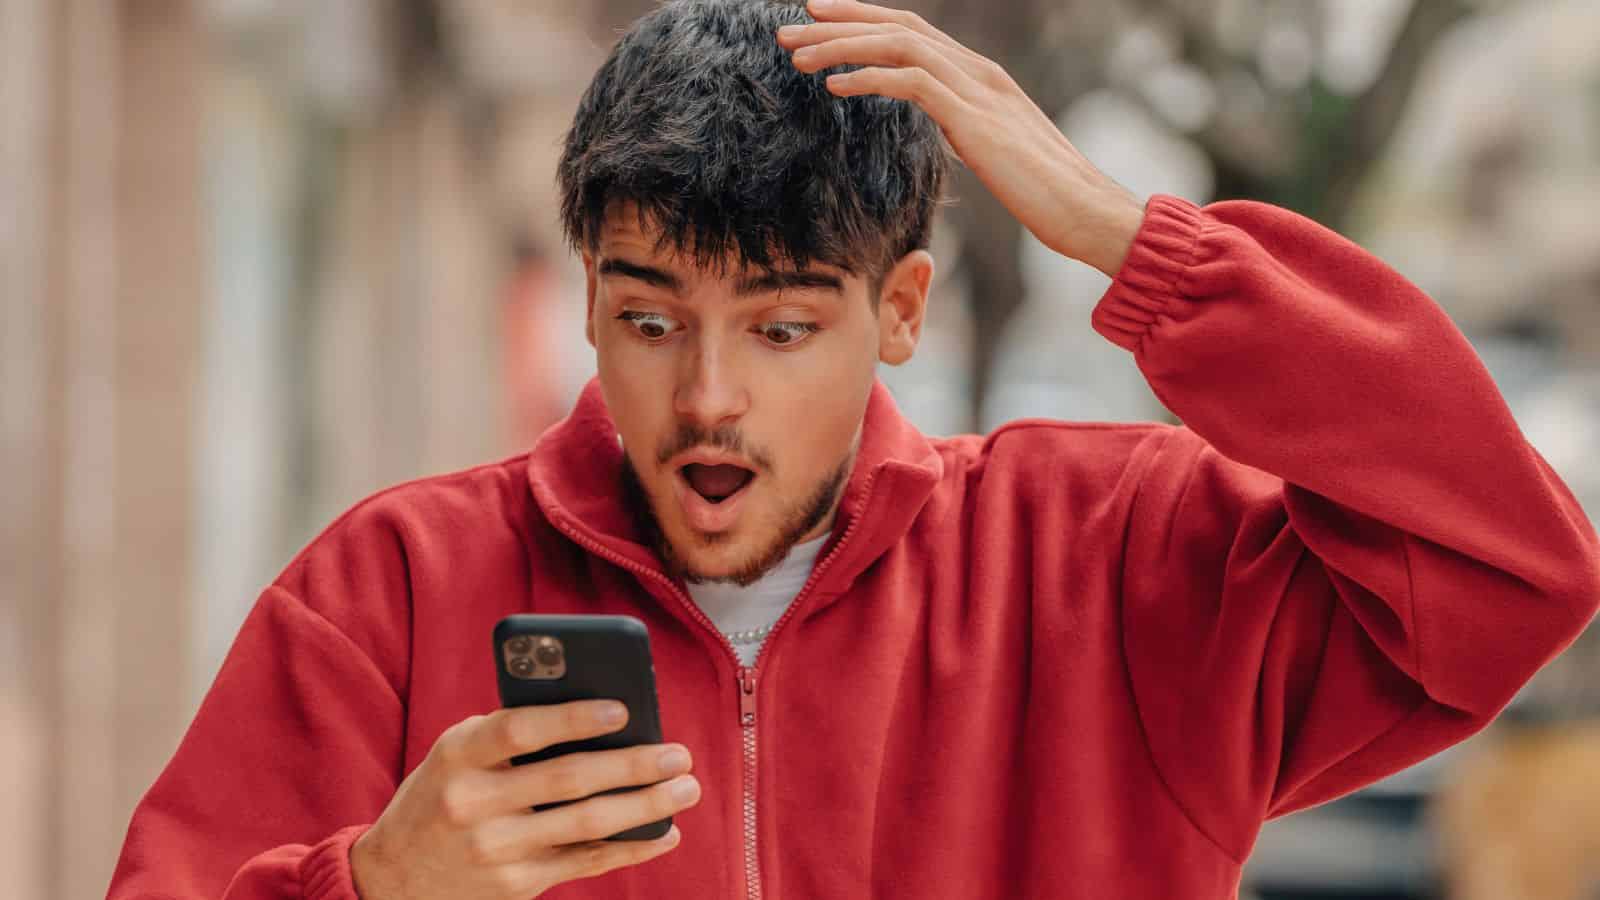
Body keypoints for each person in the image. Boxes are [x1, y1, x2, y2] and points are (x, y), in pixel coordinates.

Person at [107, 1, 1600, 898]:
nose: (706, 401)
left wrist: (1132, 239)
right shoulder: (395, 589)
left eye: (778, 328)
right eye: (646, 324)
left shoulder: (1111, 563)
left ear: (898, 312)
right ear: (586, 301)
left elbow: (1512, 567)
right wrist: (373, 888)